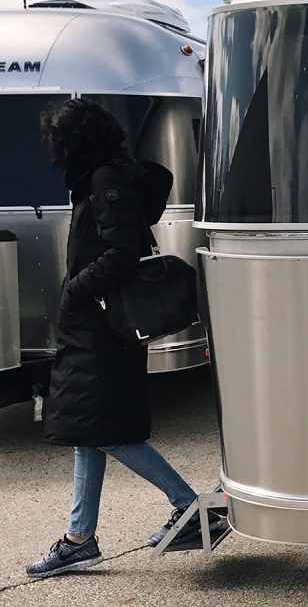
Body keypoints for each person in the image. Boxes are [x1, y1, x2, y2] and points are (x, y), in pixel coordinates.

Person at [26, 98, 203, 579]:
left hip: (100, 328)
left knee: (104, 429)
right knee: (90, 428)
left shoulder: (104, 180)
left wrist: (76, 291)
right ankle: (79, 538)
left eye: (57, 141)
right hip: (95, 326)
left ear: (72, 142)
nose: (53, 150)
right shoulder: (103, 177)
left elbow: (123, 250)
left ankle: (188, 506)